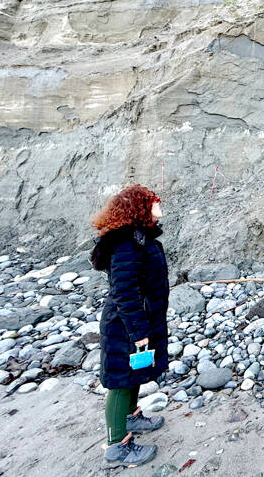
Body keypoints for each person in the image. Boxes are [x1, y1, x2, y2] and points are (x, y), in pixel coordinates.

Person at [90, 184, 169, 466]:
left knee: (134, 371)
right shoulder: (125, 244)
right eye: (154, 202)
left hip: (139, 318)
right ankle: (116, 446)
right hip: (125, 323)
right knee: (120, 381)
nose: (160, 205)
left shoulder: (140, 238)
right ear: (140, 208)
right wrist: (137, 332)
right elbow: (124, 292)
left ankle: (132, 418)